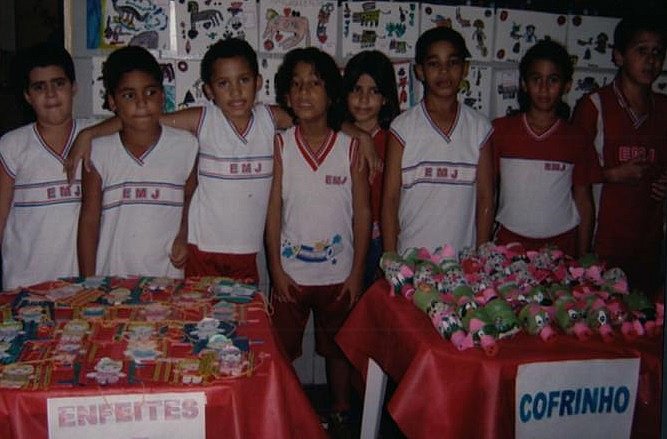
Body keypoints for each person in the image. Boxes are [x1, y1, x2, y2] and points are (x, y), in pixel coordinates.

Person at [67, 38, 377, 284]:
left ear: (258, 82)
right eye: (224, 84)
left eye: (243, 80)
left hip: (248, 253)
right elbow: (146, 117)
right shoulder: (204, 120)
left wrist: (359, 135)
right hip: (201, 250)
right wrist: (90, 133)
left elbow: (315, 116)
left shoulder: (270, 119)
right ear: (209, 90)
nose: (236, 92)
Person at [266, 47, 370, 434]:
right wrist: (276, 270)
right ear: (286, 94)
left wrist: (357, 273)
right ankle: (288, 411)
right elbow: (273, 212)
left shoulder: (350, 147)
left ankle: (341, 409)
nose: (304, 92)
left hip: (339, 275)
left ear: (331, 94)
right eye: (296, 85)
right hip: (291, 275)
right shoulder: (280, 145)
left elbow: (363, 214)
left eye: (314, 83)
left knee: (337, 349)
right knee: (282, 351)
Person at [77, 46, 198, 278]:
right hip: (112, 281)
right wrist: (87, 282)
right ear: (113, 102)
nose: (142, 103)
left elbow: (191, 198)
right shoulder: (98, 152)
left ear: (162, 96)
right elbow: (89, 221)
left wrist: (184, 235)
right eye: (129, 95)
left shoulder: (186, 146)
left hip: (168, 280)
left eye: (150, 92)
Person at [571, 14, 667, 297]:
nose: (650, 60)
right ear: (618, 56)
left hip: (649, 245)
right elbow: (571, 173)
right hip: (603, 244)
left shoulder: (663, 108)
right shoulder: (594, 105)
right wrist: (612, 174)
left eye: (657, 52)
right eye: (641, 50)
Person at [382, 27, 493, 255]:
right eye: (434, 64)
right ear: (420, 71)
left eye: (452, 63)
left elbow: (485, 198)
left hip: (463, 260)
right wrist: (391, 258)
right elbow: (390, 200)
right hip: (411, 259)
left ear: (465, 69)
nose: (444, 71)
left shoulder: (480, 128)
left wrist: (481, 257)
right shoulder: (402, 128)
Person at [483, 40, 595, 257]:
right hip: (509, 244)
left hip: (562, 247)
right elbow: (487, 193)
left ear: (567, 86)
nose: (544, 88)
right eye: (536, 79)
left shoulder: (577, 137)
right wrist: (484, 246)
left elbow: (584, 200)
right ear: (524, 84)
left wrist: (583, 256)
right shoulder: (501, 130)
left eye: (553, 80)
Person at [0, 43, 88, 289]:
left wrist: (89, 135)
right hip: (25, 284)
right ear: (27, 96)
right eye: (39, 87)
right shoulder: (12, 145)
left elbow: (132, 123)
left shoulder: (96, 137)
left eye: (59, 83)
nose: (50, 94)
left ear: (74, 87)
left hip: (83, 285)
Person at [342, 50, 400, 289]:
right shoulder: (337, 135)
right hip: (342, 237)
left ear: (385, 98)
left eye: (374, 91)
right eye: (356, 89)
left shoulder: (395, 139)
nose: (363, 99)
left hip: (380, 239)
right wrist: (360, 135)